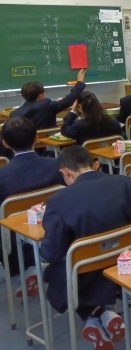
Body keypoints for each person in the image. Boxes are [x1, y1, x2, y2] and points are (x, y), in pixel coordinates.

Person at [40, 146, 131, 350]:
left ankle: (95, 314)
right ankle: (100, 315)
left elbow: (52, 252)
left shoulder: (58, 202)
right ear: (94, 164)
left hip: (86, 272)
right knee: (83, 261)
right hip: (127, 263)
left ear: (65, 173)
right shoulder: (128, 184)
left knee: (55, 271)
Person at [0, 117, 64, 281]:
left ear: (5, 143)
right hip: (54, 228)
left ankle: (26, 271)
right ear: (36, 138)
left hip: (13, 240)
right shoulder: (57, 165)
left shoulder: (2, 176)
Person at [11, 68, 86, 129]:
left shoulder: (15, 113)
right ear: (40, 95)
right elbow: (68, 101)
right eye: (44, 93)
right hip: (48, 140)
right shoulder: (47, 105)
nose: (45, 94)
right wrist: (80, 83)